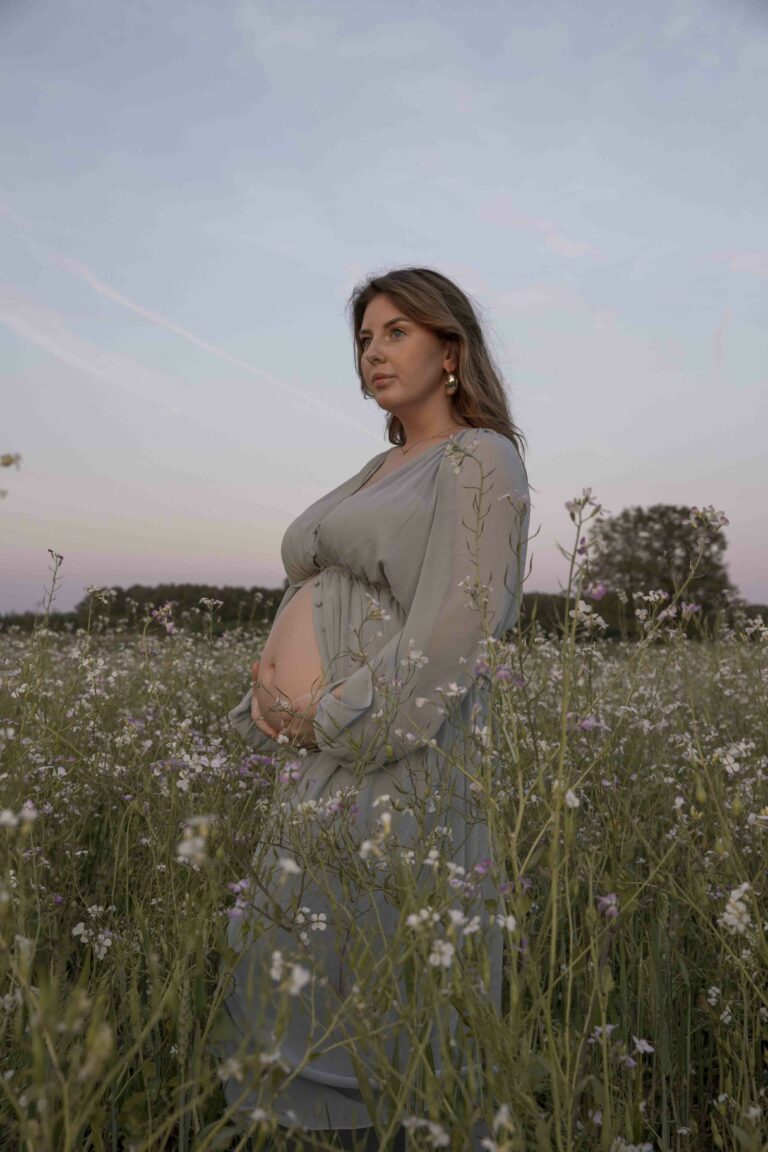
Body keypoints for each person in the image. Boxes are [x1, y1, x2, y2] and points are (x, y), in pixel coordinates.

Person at [210, 267, 531, 1151]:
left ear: (451, 348)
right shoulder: (378, 467)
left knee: (377, 973)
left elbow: (456, 624)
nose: (374, 353)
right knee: (291, 958)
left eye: (396, 332)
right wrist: (272, 698)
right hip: (320, 754)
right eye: (364, 338)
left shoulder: (480, 458)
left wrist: (336, 716)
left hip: (396, 759)